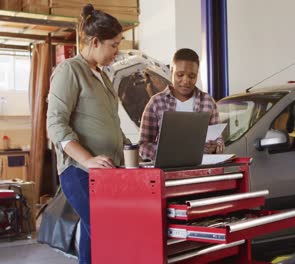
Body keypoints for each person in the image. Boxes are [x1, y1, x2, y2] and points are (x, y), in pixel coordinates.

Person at [46, 4, 127, 264]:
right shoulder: (70, 70)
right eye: (113, 45)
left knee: (96, 234)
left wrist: (130, 147)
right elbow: (56, 125)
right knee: (105, 228)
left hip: (106, 170)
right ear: (94, 41)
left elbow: (108, 122)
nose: (117, 51)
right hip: (78, 171)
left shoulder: (102, 76)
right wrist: (88, 160)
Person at [139, 48, 224, 161]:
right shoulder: (156, 103)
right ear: (171, 71)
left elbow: (219, 140)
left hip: (201, 171)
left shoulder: (208, 101)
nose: (185, 81)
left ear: (197, 75)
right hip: (168, 172)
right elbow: (142, 146)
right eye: (180, 75)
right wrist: (168, 152)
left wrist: (215, 146)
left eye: (192, 76)